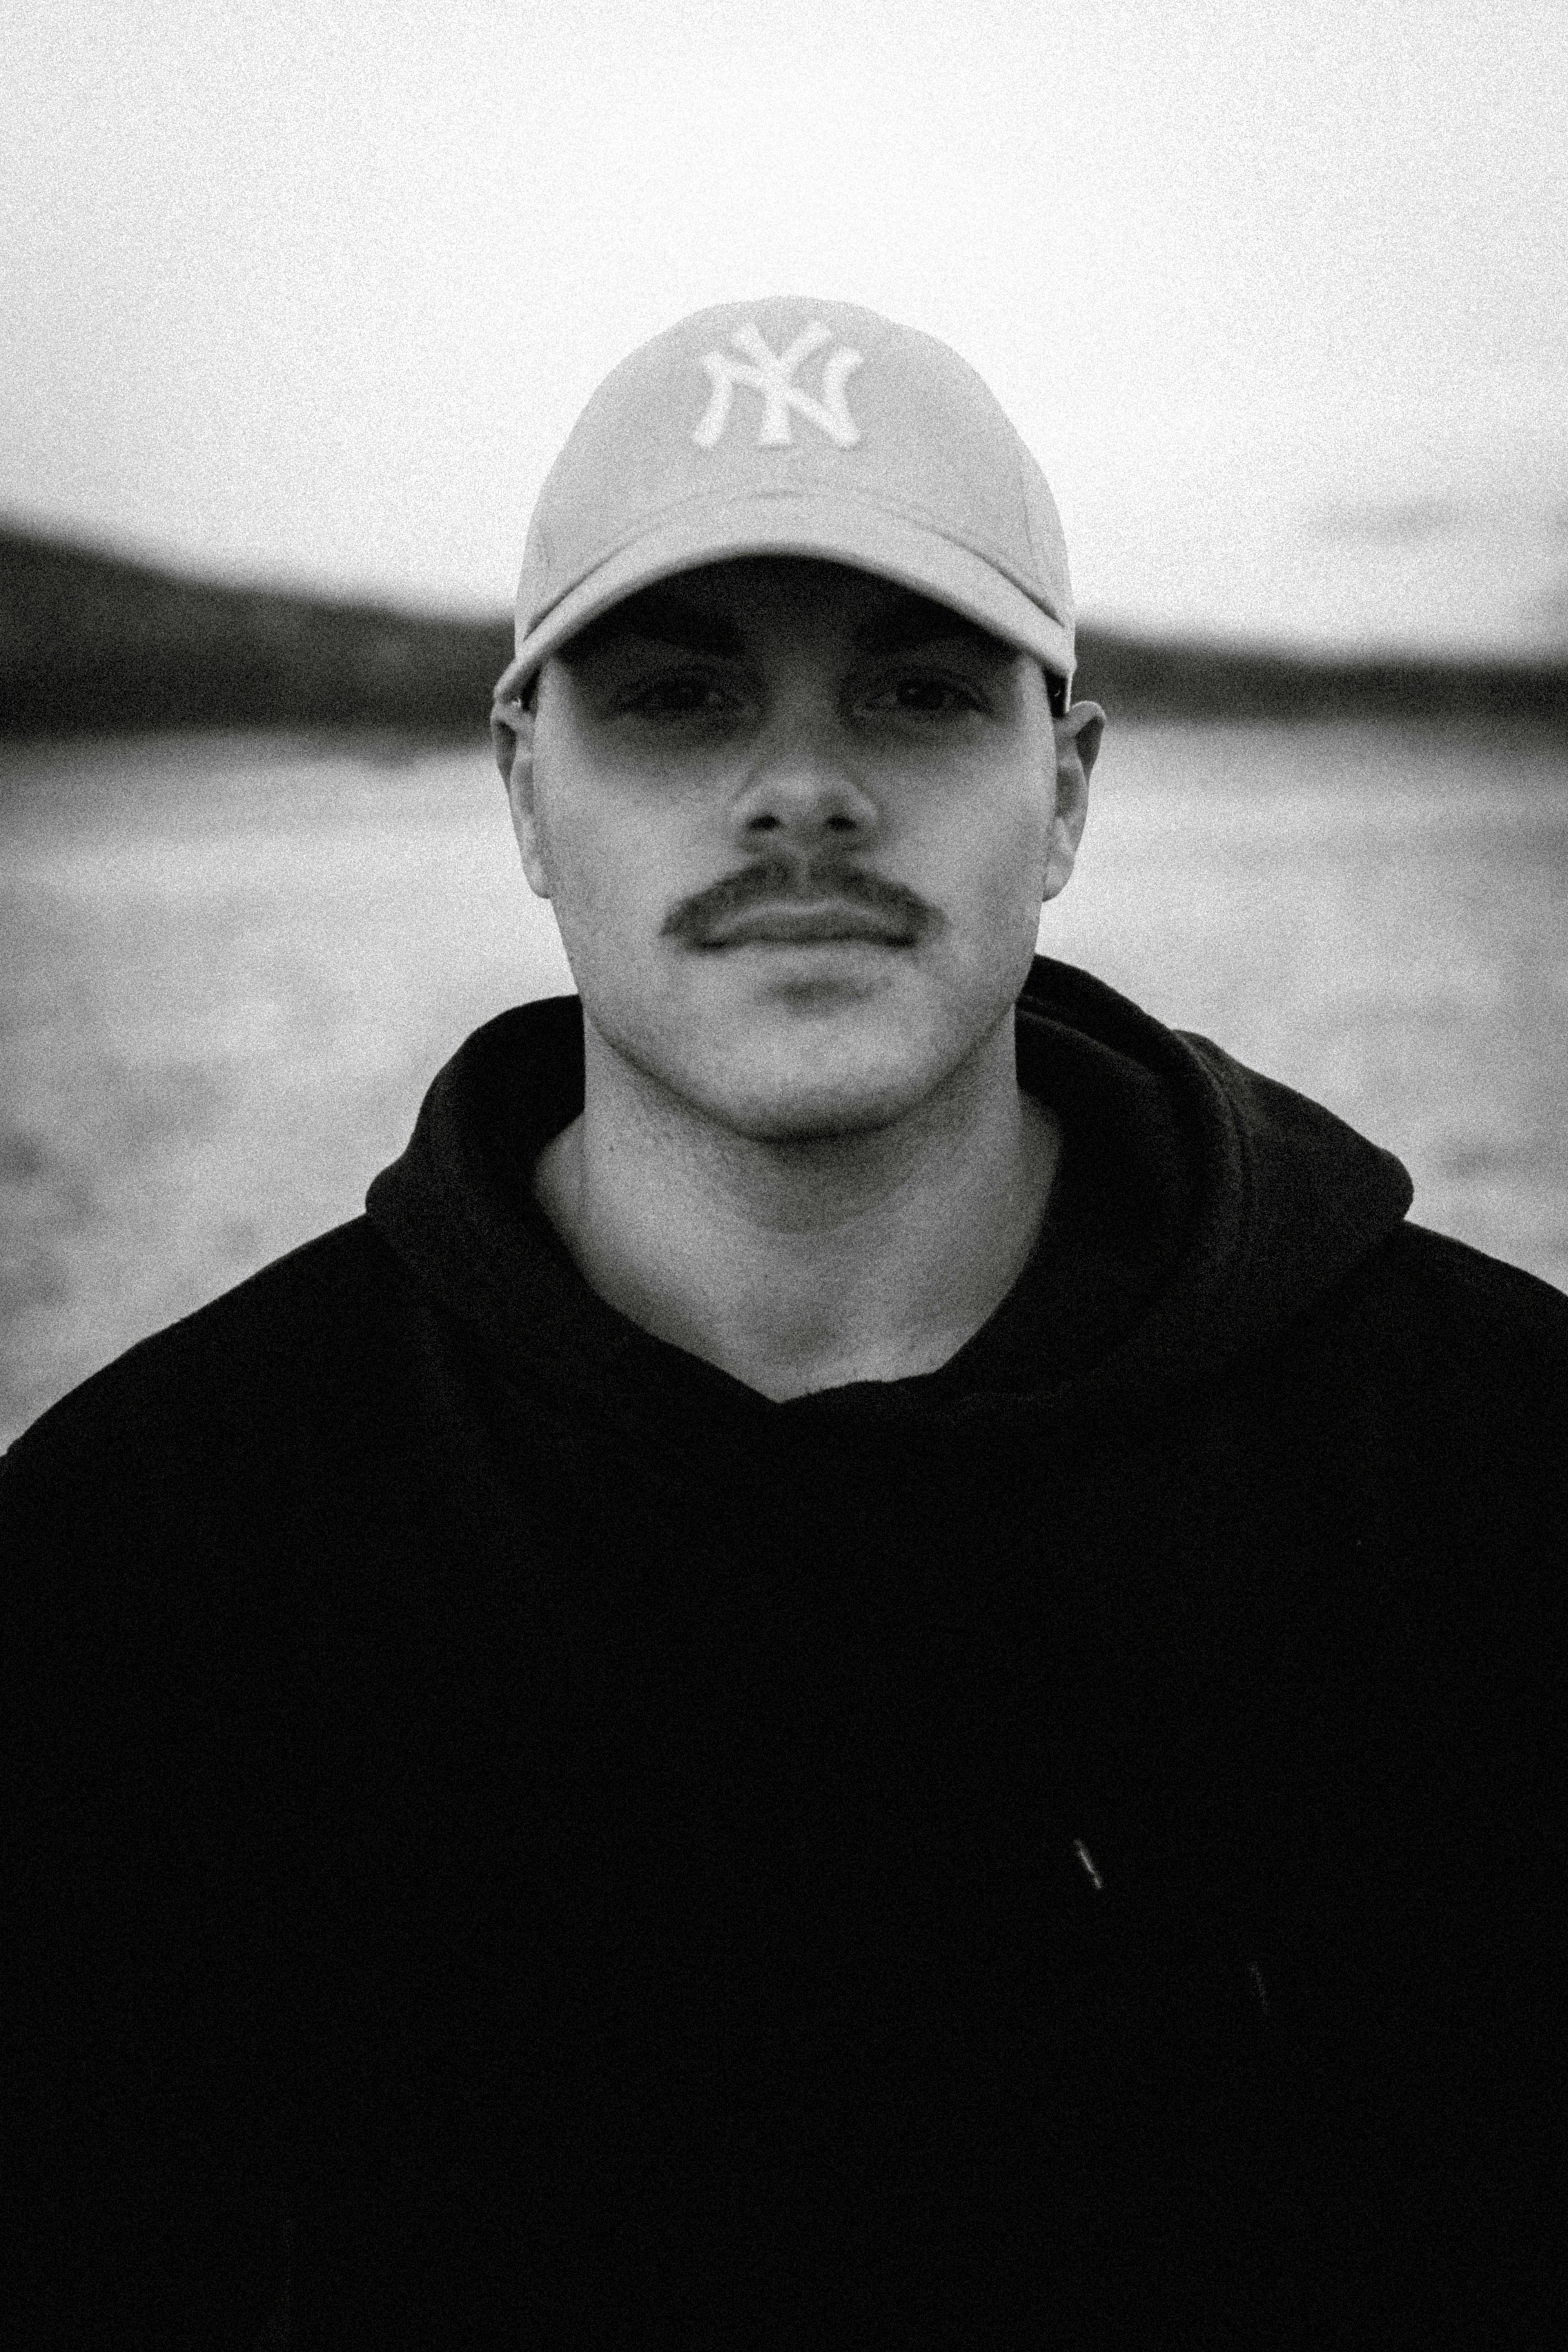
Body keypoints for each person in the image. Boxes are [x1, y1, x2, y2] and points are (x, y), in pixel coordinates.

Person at [4, 297, 1564, 2349]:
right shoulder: (143, 1563)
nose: (803, 791)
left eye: (917, 692)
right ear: (523, 797)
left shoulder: (1494, 1483)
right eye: (676, 696)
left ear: (1069, 790)